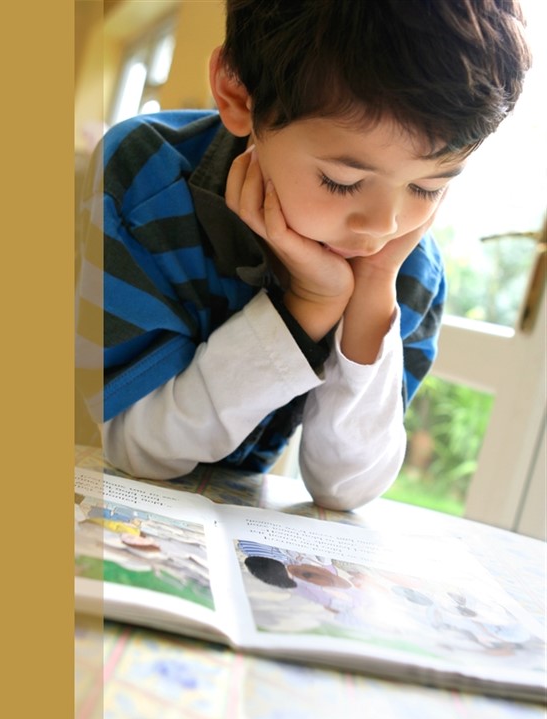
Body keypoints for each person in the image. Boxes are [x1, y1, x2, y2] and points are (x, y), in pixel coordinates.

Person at [79, 0, 530, 510]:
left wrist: (372, 289)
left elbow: (345, 488)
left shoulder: (409, 266)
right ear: (238, 95)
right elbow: (135, 448)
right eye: (343, 181)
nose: (383, 226)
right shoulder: (148, 179)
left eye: (428, 188)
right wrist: (307, 307)